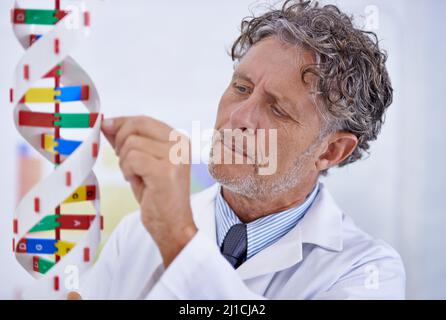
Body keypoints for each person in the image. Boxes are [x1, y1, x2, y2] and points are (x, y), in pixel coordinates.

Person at [77, 0, 405, 299]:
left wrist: (180, 242)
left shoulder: (366, 271)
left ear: (331, 151)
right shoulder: (135, 234)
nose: (239, 117)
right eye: (241, 88)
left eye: (278, 109)